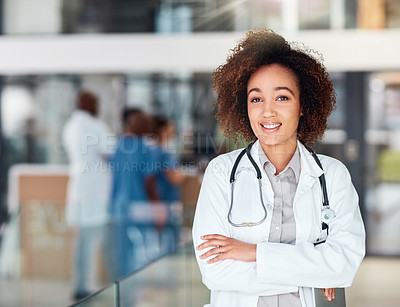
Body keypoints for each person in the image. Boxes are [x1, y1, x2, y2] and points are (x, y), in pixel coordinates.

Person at [192, 29, 365, 307]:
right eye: (256, 99)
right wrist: (314, 270)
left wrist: (253, 253)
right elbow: (215, 271)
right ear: (244, 106)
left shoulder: (332, 176)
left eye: (282, 97)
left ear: (303, 106)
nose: (268, 111)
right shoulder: (222, 172)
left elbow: (345, 264)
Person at [63, 90, 115, 301]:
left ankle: (81, 284)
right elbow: (111, 151)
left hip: (80, 189)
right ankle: (90, 285)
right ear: (91, 105)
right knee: (98, 243)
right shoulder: (95, 126)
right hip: (95, 191)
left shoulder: (70, 126)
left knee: (83, 241)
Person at [109, 109, 163, 277]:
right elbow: (149, 182)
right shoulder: (145, 149)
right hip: (140, 206)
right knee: (142, 251)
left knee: (122, 251)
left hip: (118, 206)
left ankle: (123, 289)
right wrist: (157, 208)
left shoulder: (118, 146)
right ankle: (137, 289)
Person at [152, 115, 184, 253]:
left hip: (162, 203)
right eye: (170, 126)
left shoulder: (153, 150)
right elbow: (175, 177)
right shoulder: (162, 153)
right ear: (162, 129)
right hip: (166, 205)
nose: (173, 129)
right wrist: (181, 173)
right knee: (169, 246)